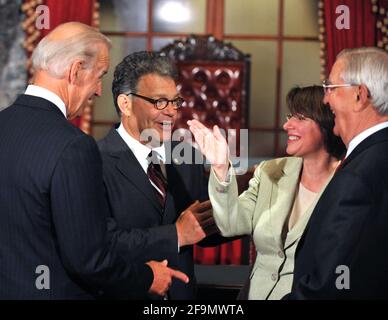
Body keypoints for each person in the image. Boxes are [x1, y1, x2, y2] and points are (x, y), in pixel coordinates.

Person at [0, 22, 188, 299]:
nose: (99, 90)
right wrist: (148, 276)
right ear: (75, 71)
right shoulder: (74, 146)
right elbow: (89, 260)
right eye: (99, 75)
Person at [188, 85, 345, 299]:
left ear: (325, 123)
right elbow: (229, 223)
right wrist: (221, 167)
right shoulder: (270, 171)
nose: (286, 124)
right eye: (290, 116)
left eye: (300, 117)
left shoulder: (347, 184)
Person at [98, 51, 220, 300]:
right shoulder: (94, 161)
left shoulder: (186, 156)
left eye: (175, 102)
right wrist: (175, 235)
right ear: (126, 104)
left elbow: (205, 229)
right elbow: (101, 245)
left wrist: (223, 173)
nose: (171, 112)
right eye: (159, 102)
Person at [288, 47, 388, 299]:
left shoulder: (360, 175)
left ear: (359, 95)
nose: (325, 100)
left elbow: (326, 288)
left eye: (331, 88)